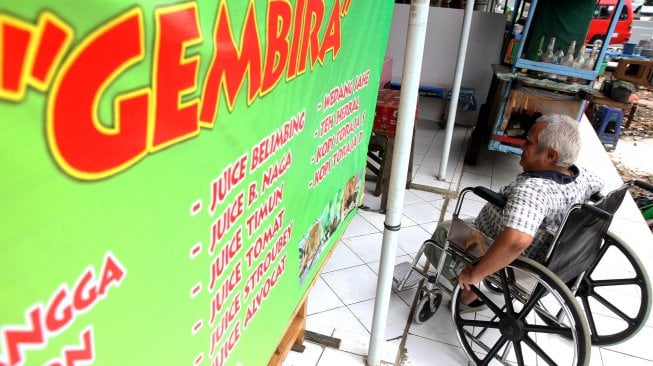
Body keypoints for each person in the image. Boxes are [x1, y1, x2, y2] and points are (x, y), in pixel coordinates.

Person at [425, 113, 604, 311]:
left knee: (443, 233)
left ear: (550, 155)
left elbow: (517, 241)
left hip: (512, 255)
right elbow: (599, 189)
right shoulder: (582, 177)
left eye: (529, 142)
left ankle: (468, 294)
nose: (522, 146)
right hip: (554, 253)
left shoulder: (534, 192)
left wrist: (476, 274)